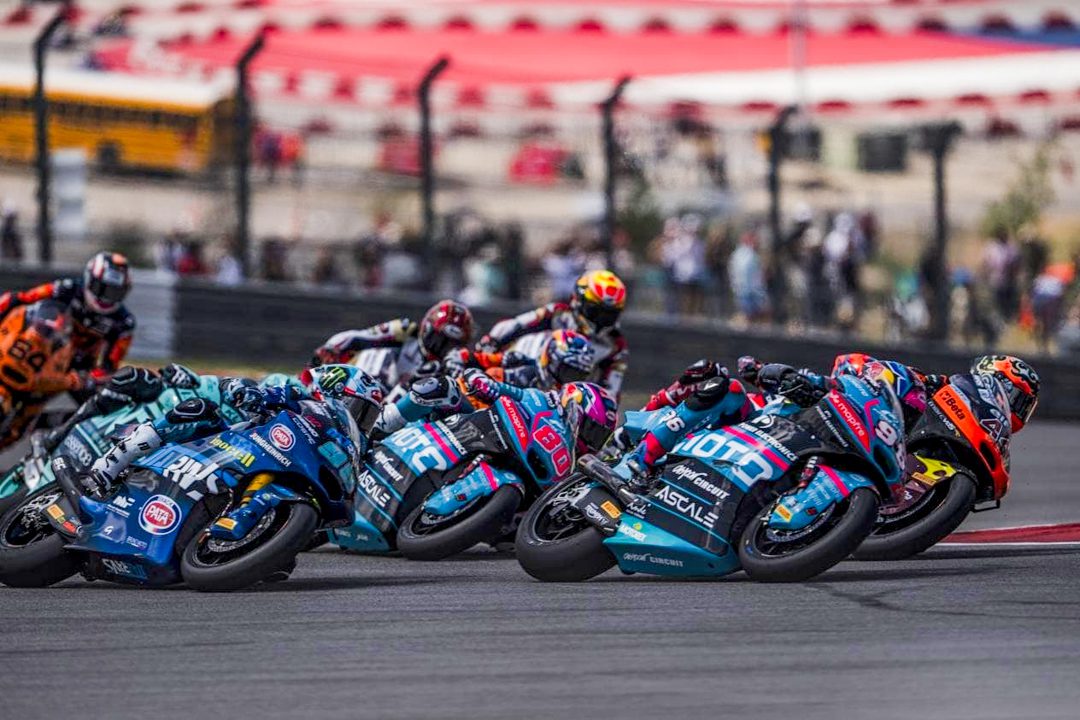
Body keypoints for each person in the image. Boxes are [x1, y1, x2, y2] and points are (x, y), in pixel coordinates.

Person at [75, 365, 383, 520]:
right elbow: (235, 385)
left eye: (367, 416)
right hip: (225, 440)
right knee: (196, 410)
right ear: (332, 389)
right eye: (359, 409)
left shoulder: (346, 445)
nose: (359, 420)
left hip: (264, 465)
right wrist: (245, 391)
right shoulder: (292, 391)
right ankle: (107, 467)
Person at [478, 270, 628, 399]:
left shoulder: (615, 346)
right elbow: (515, 324)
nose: (601, 320)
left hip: (563, 397)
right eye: (595, 311)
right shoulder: (558, 314)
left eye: (609, 315)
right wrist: (491, 342)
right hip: (525, 368)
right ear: (578, 301)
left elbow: (611, 391)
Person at [0, 252, 134, 384]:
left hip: (76, 365)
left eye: (114, 292)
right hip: (42, 345)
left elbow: (110, 366)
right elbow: (21, 298)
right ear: (89, 280)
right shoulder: (66, 288)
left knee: (94, 392)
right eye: (101, 288)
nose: (106, 298)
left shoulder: (124, 323)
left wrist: (88, 379)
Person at [307, 300, 474, 394]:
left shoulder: (454, 366)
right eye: (438, 339)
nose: (440, 347)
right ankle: (313, 383)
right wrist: (329, 350)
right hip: (361, 384)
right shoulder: (405, 330)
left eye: (449, 344)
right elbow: (356, 337)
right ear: (427, 327)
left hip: (393, 414)